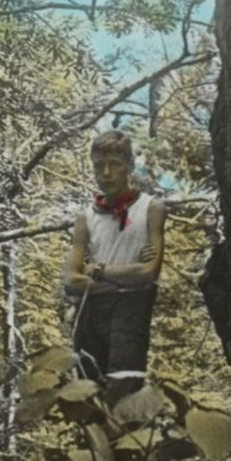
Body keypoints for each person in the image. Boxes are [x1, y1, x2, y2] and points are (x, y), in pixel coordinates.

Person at [64, 129, 166, 399]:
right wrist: (124, 276)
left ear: (130, 166)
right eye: (99, 166)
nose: (106, 173)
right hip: (90, 313)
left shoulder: (150, 209)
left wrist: (97, 270)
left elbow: (147, 272)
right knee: (88, 394)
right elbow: (71, 281)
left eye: (115, 165)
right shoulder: (86, 217)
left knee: (124, 392)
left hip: (130, 312)